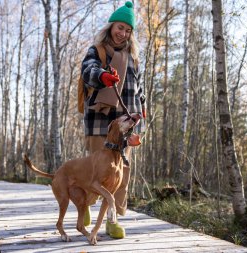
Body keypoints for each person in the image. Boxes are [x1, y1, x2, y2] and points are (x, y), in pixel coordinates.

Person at [80, 1, 146, 239]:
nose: (123, 33)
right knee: (96, 169)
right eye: (120, 27)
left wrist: (143, 108)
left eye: (128, 30)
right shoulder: (97, 50)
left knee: (123, 173)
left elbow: (139, 88)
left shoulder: (134, 57)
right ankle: (85, 205)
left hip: (127, 122)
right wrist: (102, 76)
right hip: (99, 119)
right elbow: (87, 70)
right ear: (111, 27)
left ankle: (113, 219)